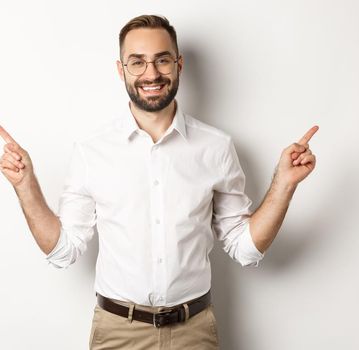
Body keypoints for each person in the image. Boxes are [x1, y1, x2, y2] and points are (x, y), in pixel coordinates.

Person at [0, 14, 318, 349]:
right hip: (117, 333)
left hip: (193, 332)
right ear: (121, 70)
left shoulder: (216, 147)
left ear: (178, 64)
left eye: (162, 60)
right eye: (137, 62)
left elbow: (245, 248)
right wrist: (25, 185)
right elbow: (63, 250)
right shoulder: (91, 151)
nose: (151, 74)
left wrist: (284, 184)